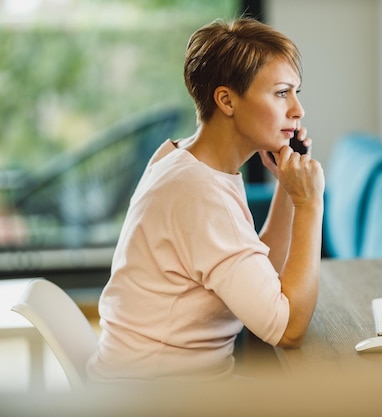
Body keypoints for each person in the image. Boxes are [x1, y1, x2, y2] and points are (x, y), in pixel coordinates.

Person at [86, 17, 325, 383]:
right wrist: (310, 205)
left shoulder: (181, 160)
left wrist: (286, 189)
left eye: (296, 92)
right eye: (281, 93)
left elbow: (263, 271)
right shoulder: (200, 194)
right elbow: (289, 330)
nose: (297, 109)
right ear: (226, 100)